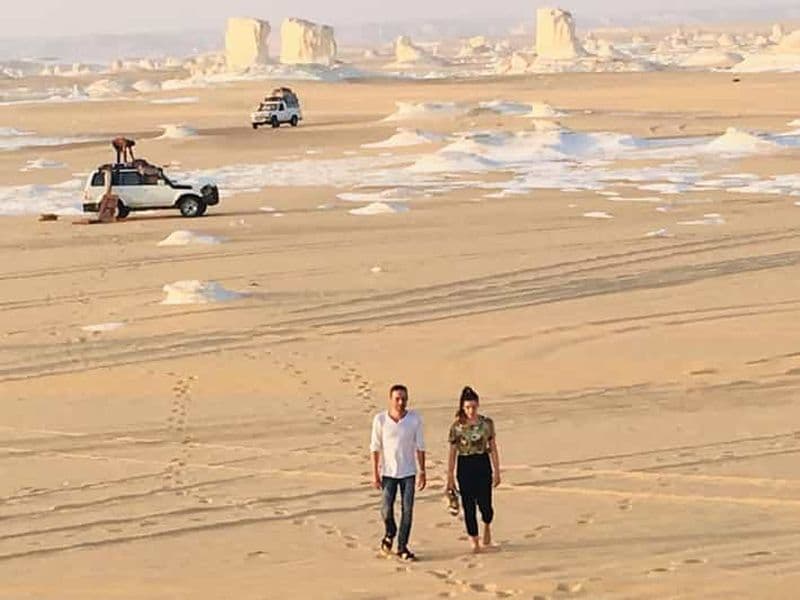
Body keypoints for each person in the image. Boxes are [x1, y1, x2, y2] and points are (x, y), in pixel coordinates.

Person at [370, 384, 426, 561]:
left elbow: (420, 446)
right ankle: (390, 531)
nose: (400, 402)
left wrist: (423, 471)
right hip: (388, 473)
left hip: (408, 472)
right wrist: (375, 473)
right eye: (397, 399)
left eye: (403, 399)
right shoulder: (380, 420)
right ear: (390, 399)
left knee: (407, 510)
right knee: (386, 509)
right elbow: (375, 448)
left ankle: (402, 546)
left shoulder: (414, 419)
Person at [446, 386, 501, 553]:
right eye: (467, 407)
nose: (471, 410)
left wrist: (497, 471)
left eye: (473, 407)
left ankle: (487, 526)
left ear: (478, 405)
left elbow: (493, 447)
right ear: (463, 407)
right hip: (465, 465)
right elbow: (452, 452)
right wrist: (449, 476)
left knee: (485, 504)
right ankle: (474, 540)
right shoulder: (457, 427)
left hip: (482, 463)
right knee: (468, 505)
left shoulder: (486, 424)